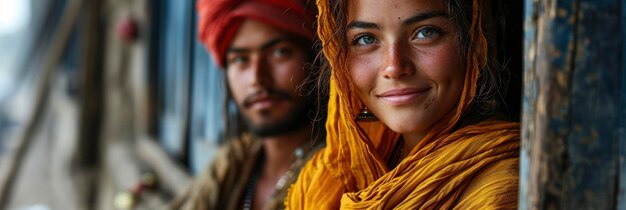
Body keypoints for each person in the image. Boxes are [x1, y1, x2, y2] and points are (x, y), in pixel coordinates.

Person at [286, 0, 519, 209]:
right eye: (366, 38)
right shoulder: (329, 178)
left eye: (426, 32)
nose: (394, 67)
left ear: (474, 42)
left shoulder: (499, 191)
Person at [168, 0, 322, 209]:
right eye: (240, 59)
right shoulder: (233, 164)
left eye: (280, 52)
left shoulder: (339, 175)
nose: (257, 79)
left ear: (317, 61)